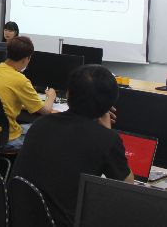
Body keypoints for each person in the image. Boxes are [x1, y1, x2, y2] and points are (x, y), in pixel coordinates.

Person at [11, 65, 133, 227]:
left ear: (68, 94)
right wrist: (106, 132)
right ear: (111, 104)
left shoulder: (40, 124)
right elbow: (127, 187)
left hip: (17, 218)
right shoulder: (106, 139)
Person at [0, 36, 55, 150]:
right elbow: (46, 111)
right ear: (26, 59)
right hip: (9, 138)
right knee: (49, 130)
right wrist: (51, 96)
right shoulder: (21, 80)